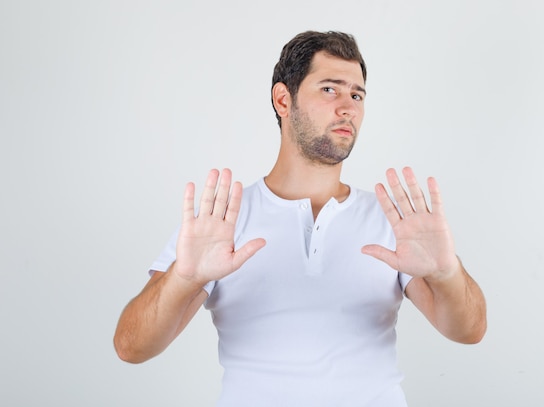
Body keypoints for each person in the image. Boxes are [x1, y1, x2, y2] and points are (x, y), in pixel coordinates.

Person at [114, 30, 487, 406]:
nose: (348, 108)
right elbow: (131, 347)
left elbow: (470, 330)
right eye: (330, 89)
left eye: (356, 94)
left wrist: (446, 273)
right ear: (283, 99)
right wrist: (184, 278)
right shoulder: (222, 219)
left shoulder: (393, 220)